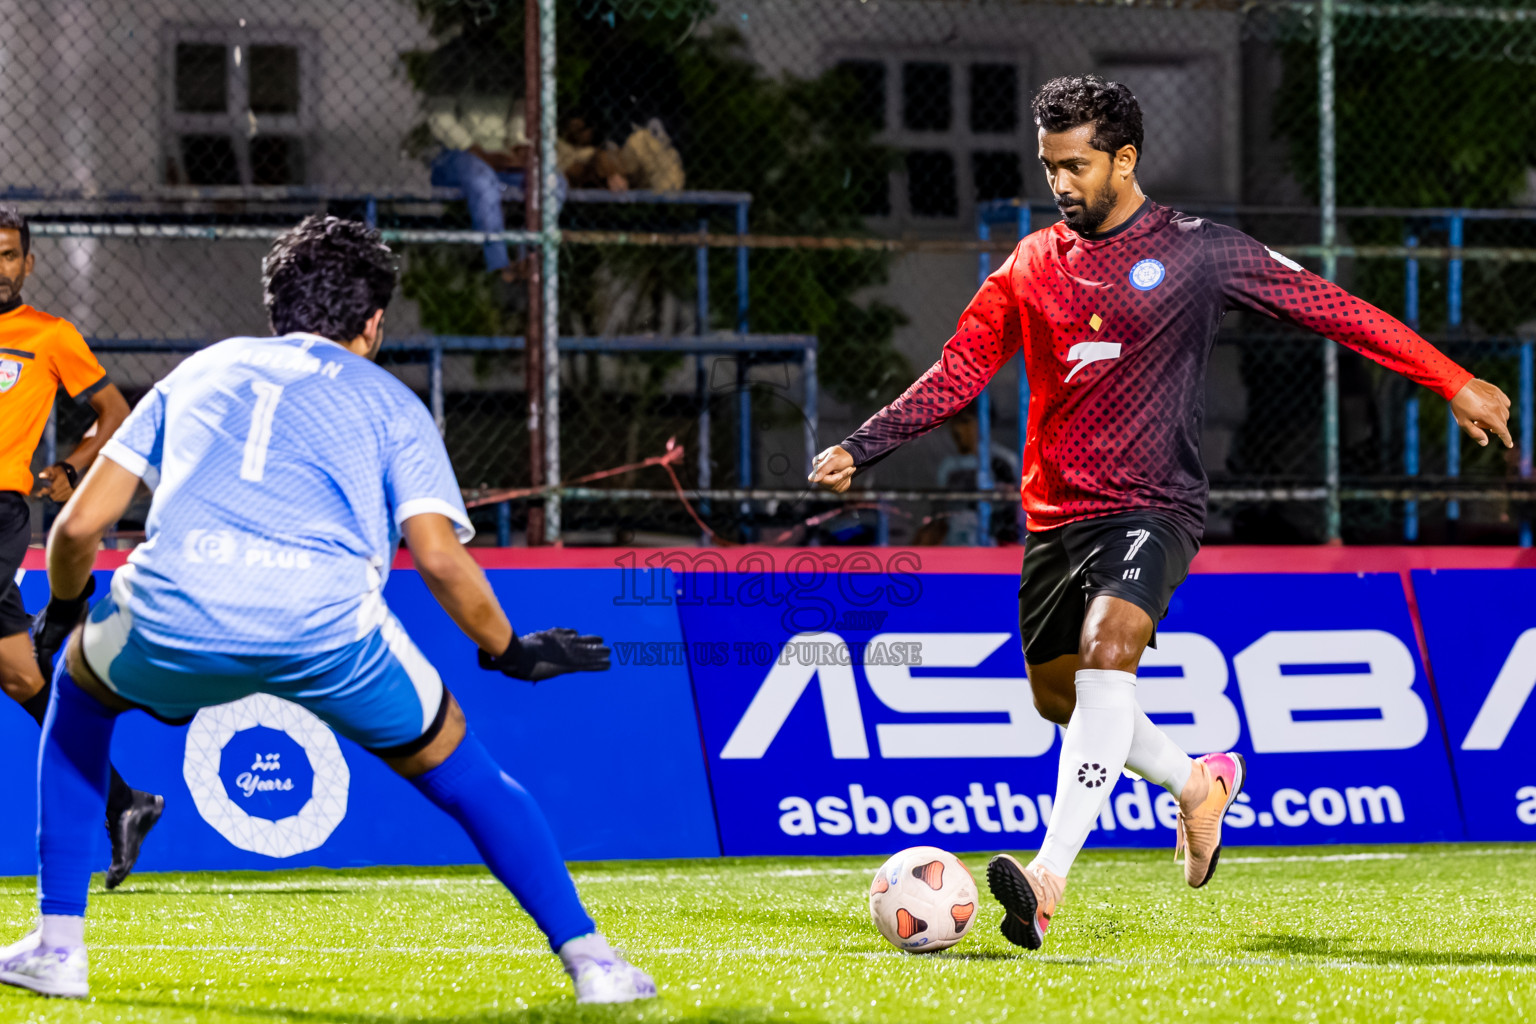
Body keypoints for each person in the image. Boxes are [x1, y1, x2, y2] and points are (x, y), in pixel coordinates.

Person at [810, 75, 1513, 951]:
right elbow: (958, 371)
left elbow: (1334, 311)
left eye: (1075, 166)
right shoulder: (1030, 264)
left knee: (1112, 652)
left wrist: (1451, 378)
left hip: (1153, 505)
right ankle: (1198, 781)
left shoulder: (1198, 250)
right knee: (1065, 699)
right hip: (1053, 517)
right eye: (1048, 167)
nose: (1059, 184)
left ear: (1124, 158)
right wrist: (863, 444)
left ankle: (1047, 873)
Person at [0, 215, 655, 1004]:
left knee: (75, 694)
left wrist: (68, 615)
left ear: (275, 306)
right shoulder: (395, 404)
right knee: (467, 774)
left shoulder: (203, 368)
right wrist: (510, 649)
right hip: (329, 631)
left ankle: (59, 949)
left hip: (178, 610)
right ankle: (594, 964)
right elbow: (441, 559)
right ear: (373, 323)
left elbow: (77, 527)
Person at [0, 207, 165, 889]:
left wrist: (70, 468)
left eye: (9, 255)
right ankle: (125, 801)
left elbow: (116, 415)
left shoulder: (49, 336)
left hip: (3, 505)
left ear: (27, 264)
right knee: (20, 677)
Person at [426, 95, 567, 281]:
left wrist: (519, 147)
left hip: (502, 156)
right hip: (459, 153)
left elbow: (519, 111)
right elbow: (440, 118)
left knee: (554, 181)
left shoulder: (510, 76)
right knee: (483, 181)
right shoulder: (454, 75)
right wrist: (477, 151)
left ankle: (529, 255)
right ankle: (500, 264)